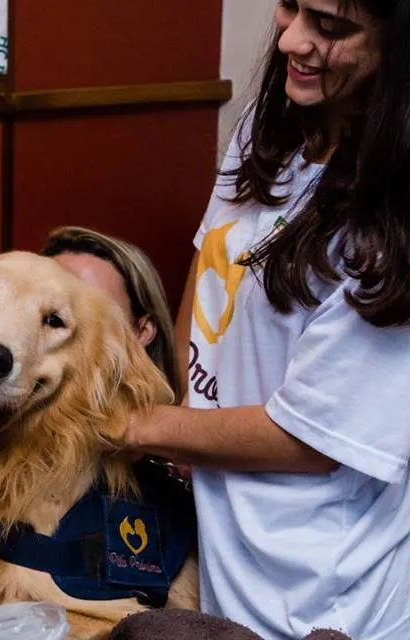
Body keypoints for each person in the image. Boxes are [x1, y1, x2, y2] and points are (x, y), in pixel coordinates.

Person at [120, 1, 410, 638]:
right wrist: (173, 408)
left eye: (330, 28)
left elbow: (308, 439)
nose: (293, 41)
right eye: (291, 7)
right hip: (224, 537)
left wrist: (135, 423)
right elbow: (209, 267)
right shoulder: (274, 121)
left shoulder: (392, 222)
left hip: (316, 588)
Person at [41, 225, 182, 401]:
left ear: (142, 332)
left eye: (95, 311)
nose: (71, 325)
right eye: (52, 318)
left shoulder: (165, 425)